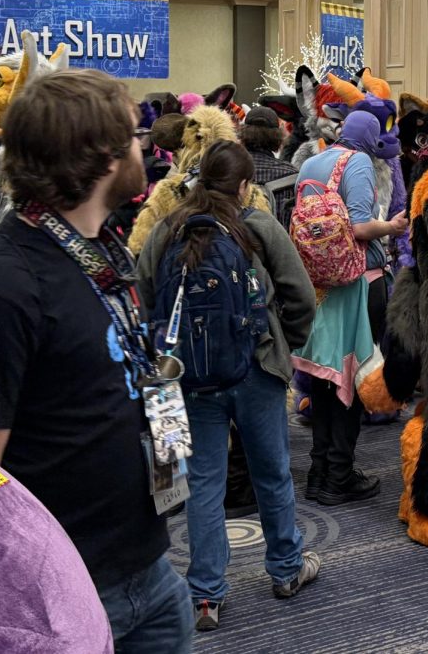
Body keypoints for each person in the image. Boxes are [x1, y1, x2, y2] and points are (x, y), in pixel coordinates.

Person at [0, 70, 193, 653]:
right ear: (99, 156)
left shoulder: (99, 249)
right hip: (62, 584)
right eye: (134, 136)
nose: (145, 146)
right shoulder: (1, 283)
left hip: (149, 565)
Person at [137, 139, 320, 631]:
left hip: (189, 381)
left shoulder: (164, 231)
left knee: (202, 486)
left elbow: (147, 302)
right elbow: (300, 297)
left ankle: (206, 594)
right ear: (244, 187)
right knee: (272, 474)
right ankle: (286, 569)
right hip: (256, 368)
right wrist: (284, 346)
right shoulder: (258, 227)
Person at [293, 111, 407, 505]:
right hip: (358, 282)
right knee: (354, 377)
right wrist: (392, 228)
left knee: (326, 376)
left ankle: (319, 472)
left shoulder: (311, 161)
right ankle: (339, 474)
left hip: (318, 283)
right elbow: (359, 227)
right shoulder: (357, 162)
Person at [240, 105, 298, 226]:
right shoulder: (292, 175)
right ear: (277, 136)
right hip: (280, 242)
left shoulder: (229, 170)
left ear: (243, 133)